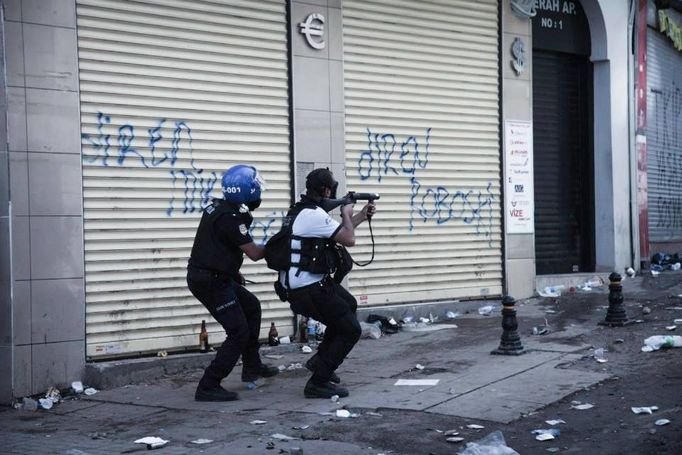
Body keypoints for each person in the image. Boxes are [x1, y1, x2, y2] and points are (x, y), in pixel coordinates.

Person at [281, 168, 376, 399]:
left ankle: (320, 361)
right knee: (351, 330)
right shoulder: (312, 215)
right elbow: (349, 239)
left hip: (306, 285)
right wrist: (345, 211)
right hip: (307, 289)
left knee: (349, 304)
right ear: (326, 190)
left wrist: (361, 215)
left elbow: (338, 232)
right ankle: (318, 382)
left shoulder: (303, 211)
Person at [187, 164, 279, 402]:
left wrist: (231, 270)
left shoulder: (221, 207)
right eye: (256, 188)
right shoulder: (230, 217)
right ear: (248, 191)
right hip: (210, 282)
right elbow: (255, 253)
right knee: (238, 331)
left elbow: (217, 245)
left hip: (217, 276)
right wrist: (282, 242)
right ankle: (208, 384)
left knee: (252, 306)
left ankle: (252, 366)